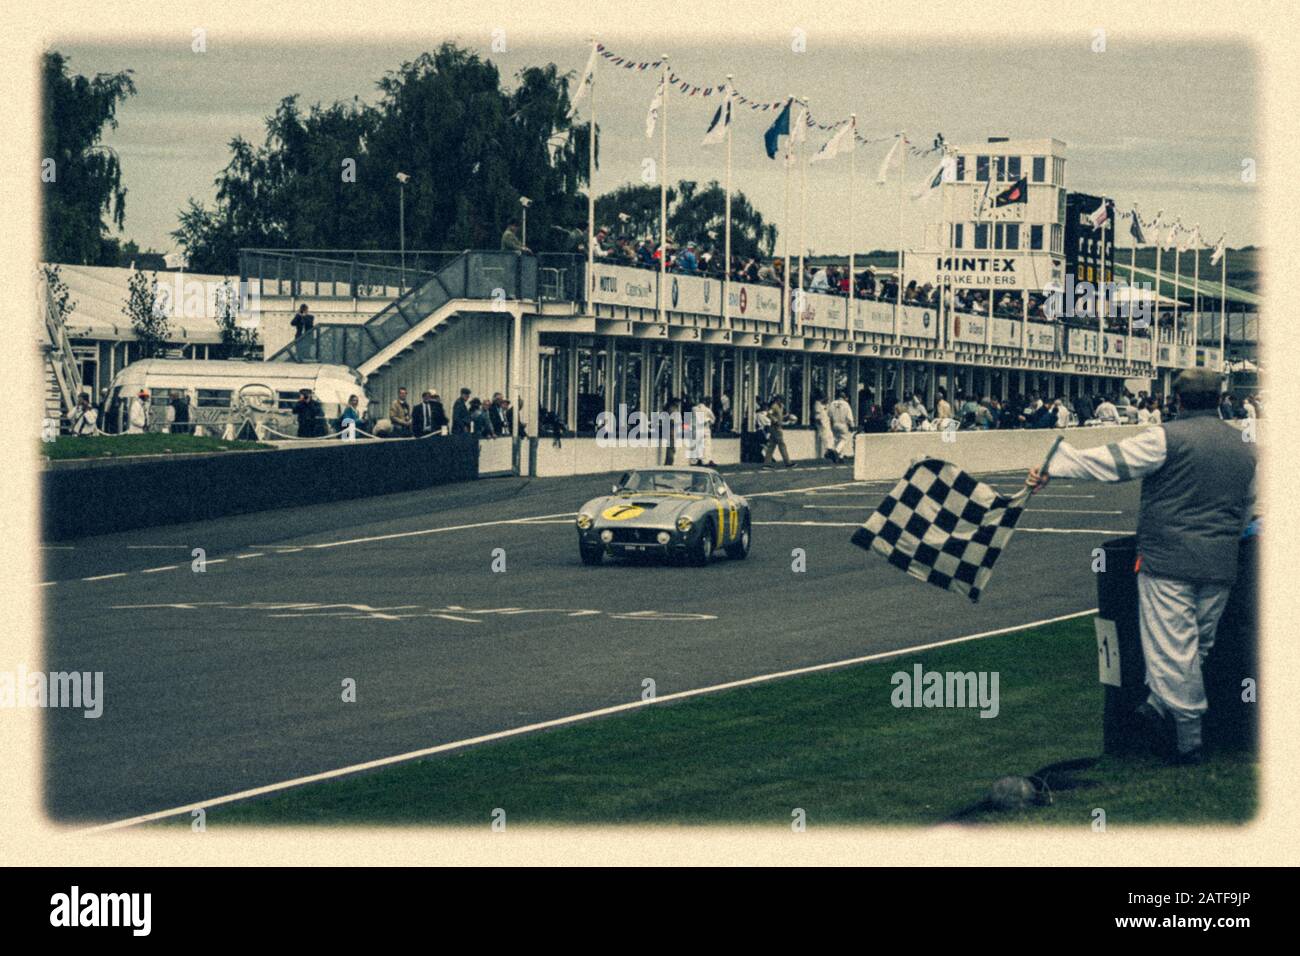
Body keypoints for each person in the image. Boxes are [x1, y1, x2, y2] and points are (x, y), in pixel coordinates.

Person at [1026, 369, 1256, 764]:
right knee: (1195, 648)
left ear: (1178, 401)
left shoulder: (1165, 437)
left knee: (1173, 652)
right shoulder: (1243, 447)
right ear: (1219, 398)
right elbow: (1249, 507)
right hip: (1221, 563)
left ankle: (1188, 740)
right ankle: (1155, 706)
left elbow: (1111, 463)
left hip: (1167, 561)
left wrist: (1056, 466)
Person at [761, 395, 793, 468]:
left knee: (771, 446)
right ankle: (787, 462)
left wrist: (786, 417)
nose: (781, 400)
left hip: (778, 427)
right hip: (775, 428)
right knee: (782, 444)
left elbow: (780, 416)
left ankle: (767, 463)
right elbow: (768, 414)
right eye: (780, 399)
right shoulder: (774, 406)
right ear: (777, 399)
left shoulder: (781, 406)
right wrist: (775, 420)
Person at [811, 389, 838, 463]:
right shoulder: (817, 404)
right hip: (822, 423)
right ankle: (829, 451)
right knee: (825, 436)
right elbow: (817, 415)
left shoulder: (824, 404)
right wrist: (819, 422)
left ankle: (830, 450)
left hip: (826, 422)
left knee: (830, 436)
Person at [828, 390, 856, 461]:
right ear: (844, 397)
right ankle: (836, 451)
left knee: (837, 440)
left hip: (834, 424)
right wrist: (852, 425)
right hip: (843, 424)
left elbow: (829, 415)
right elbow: (849, 417)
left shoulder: (832, 403)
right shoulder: (846, 404)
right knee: (844, 439)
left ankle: (840, 457)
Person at [690, 396, 716, 466]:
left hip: (695, 429)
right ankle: (705, 461)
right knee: (706, 445)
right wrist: (709, 421)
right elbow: (713, 419)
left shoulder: (694, 409)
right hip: (704, 429)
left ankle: (696, 460)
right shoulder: (708, 410)